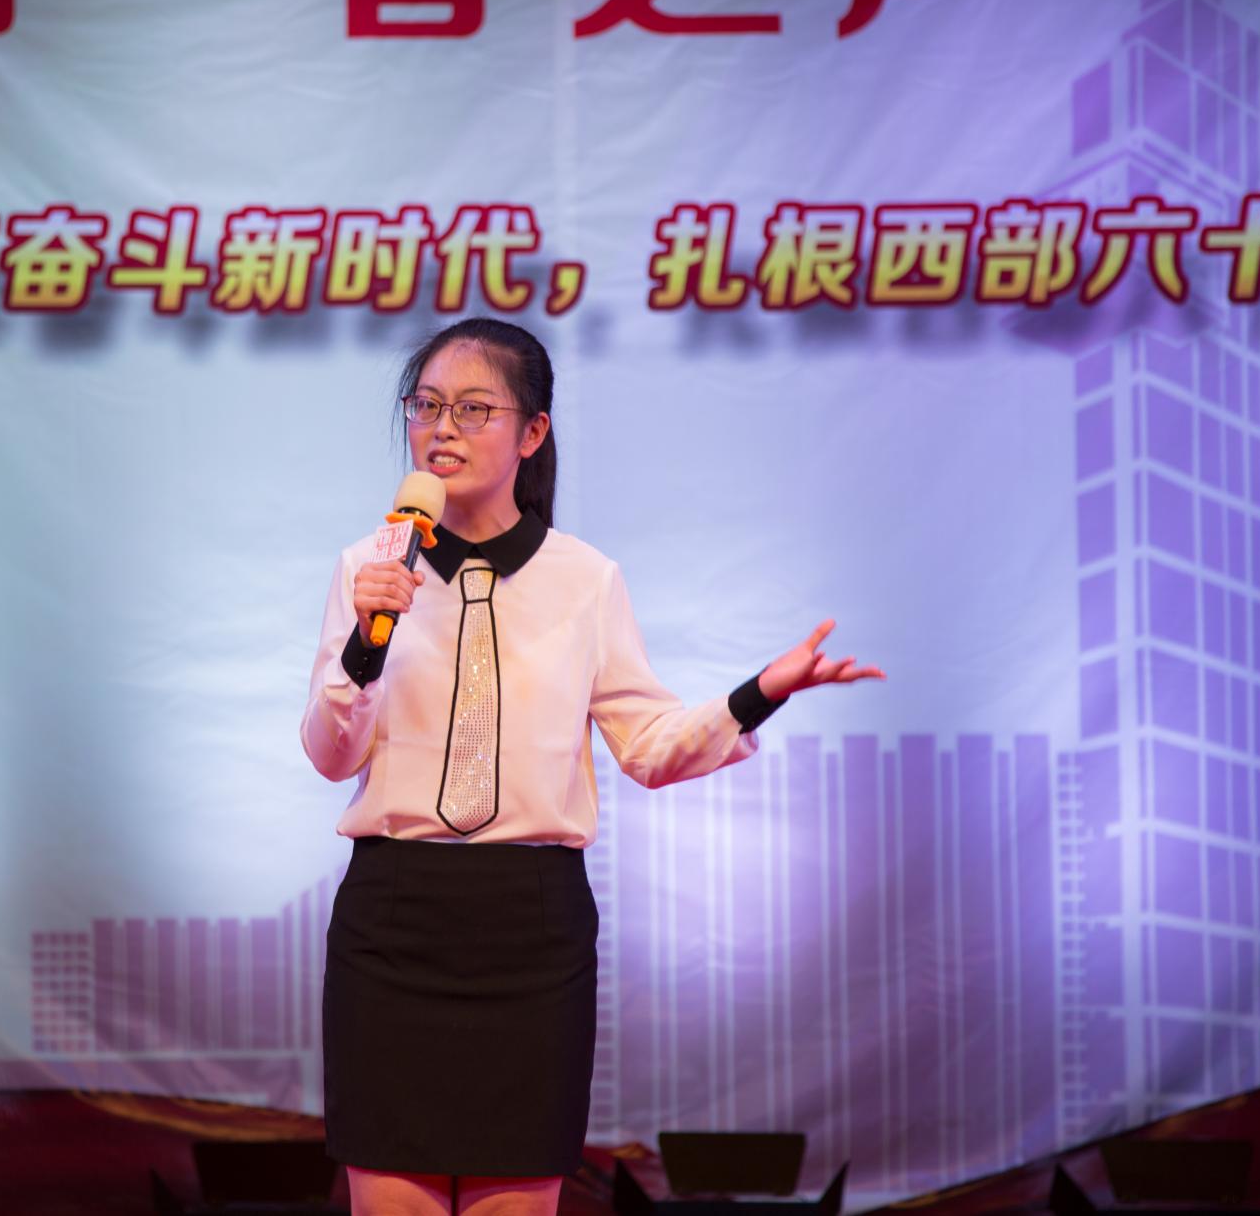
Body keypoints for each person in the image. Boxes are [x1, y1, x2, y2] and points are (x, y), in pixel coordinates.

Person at [300, 318, 884, 1216]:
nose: (442, 428)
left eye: (472, 409)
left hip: (529, 931)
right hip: (392, 921)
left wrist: (758, 692)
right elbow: (330, 752)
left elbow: (648, 746)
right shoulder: (369, 568)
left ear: (532, 432)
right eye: (426, 406)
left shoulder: (584, 579)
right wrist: (365, 645)